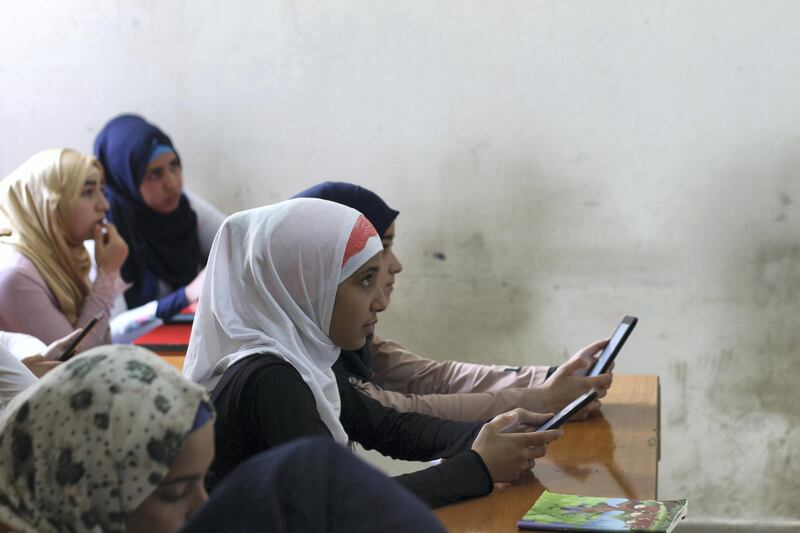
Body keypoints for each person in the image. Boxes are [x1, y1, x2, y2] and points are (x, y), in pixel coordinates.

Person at [183, 198, 562, 508]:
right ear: (307, 285)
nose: (380, 301)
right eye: (365, 281)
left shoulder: (301, 360)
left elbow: (387, 426)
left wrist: (493, 435)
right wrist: (477, 467)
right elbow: (342, 507)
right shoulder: (269, 379)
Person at [0, 345, 446, 533]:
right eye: (175, 491)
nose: (202, 507)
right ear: (86, 487)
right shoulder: (272, 379)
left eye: (201, 482)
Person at [293, 181, 613, 421]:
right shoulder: (288, 360)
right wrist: (541, 400)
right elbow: (393, 414)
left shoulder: (338, 336)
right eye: (383, 247)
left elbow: (432, 377)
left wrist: (550, 379)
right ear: (328, 263)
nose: (396, 265)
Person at [93, 114, 225, 341]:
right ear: (126, 178)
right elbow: (111, 333)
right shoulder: (104, 234)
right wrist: (184, 297)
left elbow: (237, 242)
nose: (172, 183)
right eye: (154, 174)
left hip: (190, 339)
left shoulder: (184, 207)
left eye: (174, 166)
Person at [0, 149, 129, 349]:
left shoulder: (63, 251)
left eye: (101, 190)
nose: (104, 205)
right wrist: (108, 274)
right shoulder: (15, 276)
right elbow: (74, 363)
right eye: (87, 192)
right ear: (48, 204)